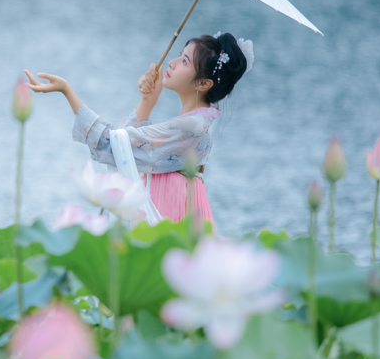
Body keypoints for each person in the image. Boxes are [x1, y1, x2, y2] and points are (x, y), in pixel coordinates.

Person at [24, 32, 253, 226]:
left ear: (203, 84)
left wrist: (67, 92)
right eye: (180, 55)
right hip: (176, 199)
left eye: (184, 61)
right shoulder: (199, 119)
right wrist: (147, 101)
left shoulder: (192, 127)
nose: (172, 63)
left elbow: (114, 146)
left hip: (173, 205)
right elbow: (128, 149)